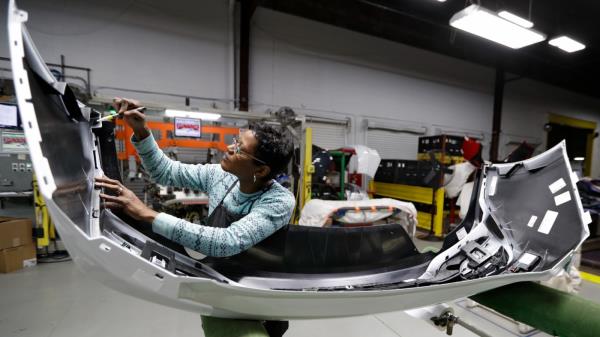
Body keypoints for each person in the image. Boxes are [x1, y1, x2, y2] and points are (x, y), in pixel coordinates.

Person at [95, 98, 295, 337]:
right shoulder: (220, 176)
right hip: (219, 286)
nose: (229, 149)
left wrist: (148, 214)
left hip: (261, 299)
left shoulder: (279, 201)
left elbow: (226, 242)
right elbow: (165, 171)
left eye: (239, 149)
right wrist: (141, 130)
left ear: (261, 170)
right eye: (235, 141)